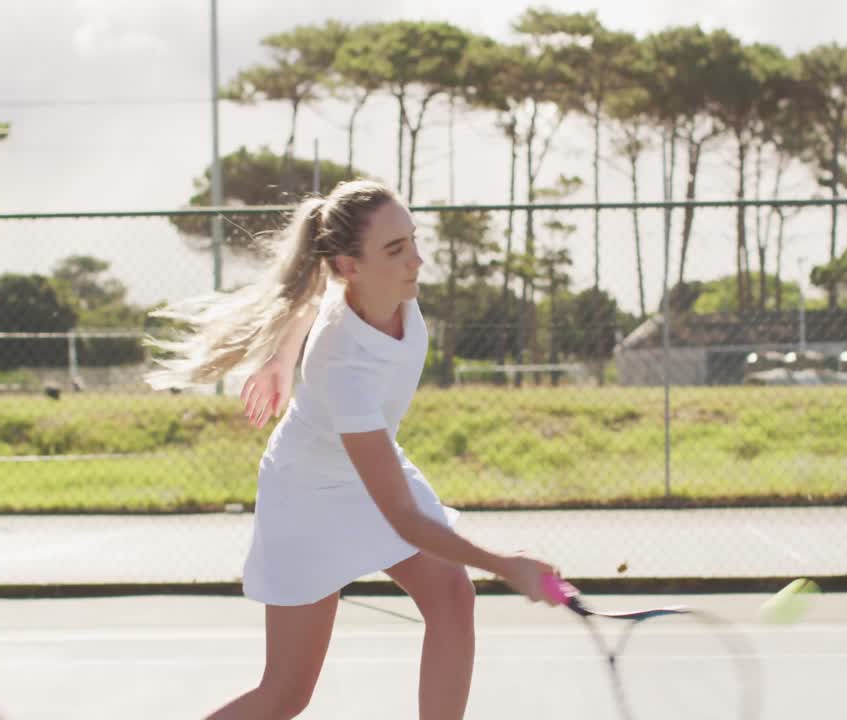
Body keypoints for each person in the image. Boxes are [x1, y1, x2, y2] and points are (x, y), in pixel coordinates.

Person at [146, 179, 561, 720]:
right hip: (307, 495)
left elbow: (310, 295)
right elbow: (404, 518)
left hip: (371, 461)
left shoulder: (373, 288)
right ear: (351, 265)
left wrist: (278, 359)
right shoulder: (345, 365)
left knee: (452, 597)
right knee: (285, 695)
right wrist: (503, 564)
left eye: (412, 239)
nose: (416, 259)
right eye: (395, 249)